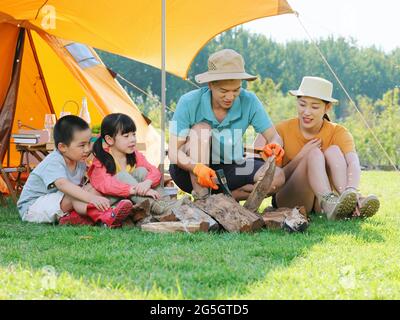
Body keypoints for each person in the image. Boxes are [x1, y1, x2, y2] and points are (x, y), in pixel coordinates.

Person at [254, 76, 380, 220]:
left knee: (333, 151)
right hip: (288, 197)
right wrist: (302, 156)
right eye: (302, 104)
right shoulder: (280, 131)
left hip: (319, 202)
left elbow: (353, 162)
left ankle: (349, 200)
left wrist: (351, 188)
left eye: (314, 107)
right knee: (314, 153)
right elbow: (274, 179)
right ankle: (333, 204)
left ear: (327, 107)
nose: (307, 112)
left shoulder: (338, 132)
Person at [168, 49, 285, 202]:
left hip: (229, 167)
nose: (230, 97)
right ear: (210, 85)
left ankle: (220, 199)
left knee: (277, 177)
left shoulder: (249, 101)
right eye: (223, 91)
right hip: (189, 171)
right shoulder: (189, 102)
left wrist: (275, 145)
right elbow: (173, 151)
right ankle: (203, 200)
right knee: (201, 130)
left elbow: (274, 136)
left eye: (236, 90)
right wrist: (197, 168)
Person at [17, 115, 133, 228]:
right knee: (76, 195)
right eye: (82, 145)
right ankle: (106, 216)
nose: (87, 149)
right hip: (32, 207)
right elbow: (63, 185)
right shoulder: (53, 161)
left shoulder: (79, 160)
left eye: (88, 143)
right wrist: (92, 198)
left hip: (57, 202)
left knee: (92, 187)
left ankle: (75, 217)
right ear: (62, 147)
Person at [88, 113, 188, 221]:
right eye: (126, 136)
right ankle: (160, 208)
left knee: (142, 171)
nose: (132, 139)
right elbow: (105, 184)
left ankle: (166, 203)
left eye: (134, 134)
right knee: (122, 176)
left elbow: (154, 171)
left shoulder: (134, 155)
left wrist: (147, 183)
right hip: (111, 202)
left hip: (135, 199)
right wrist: (134, 190)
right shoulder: (101, 159)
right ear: (109, 139)